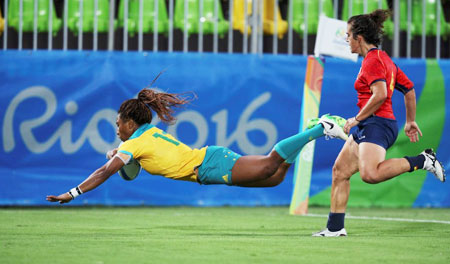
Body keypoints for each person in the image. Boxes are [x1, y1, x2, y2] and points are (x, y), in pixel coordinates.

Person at [47, 88, 348, 204]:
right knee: (276, 177)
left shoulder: (136, 141)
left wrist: (73, 192)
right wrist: (119, 152)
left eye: (118, 123)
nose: (116, 128)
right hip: (209, 162)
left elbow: (106, 171)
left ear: (129, 121)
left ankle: (319, 127)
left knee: (270, 164)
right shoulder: (146, 134)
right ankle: (312, 131)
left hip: (209, 164)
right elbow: (130, 159)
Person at [312, 9, 446, 237]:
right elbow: (409, 89)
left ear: (359, 38)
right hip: (373, 123)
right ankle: (335, 228)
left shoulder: (373, 61)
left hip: (377, 124)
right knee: (340, 171)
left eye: (348, 35)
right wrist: (410, 121)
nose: (346, 39)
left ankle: (423, 160)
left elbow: (381, 94)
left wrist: (356, 119)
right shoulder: (383, 59)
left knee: (370, 175)